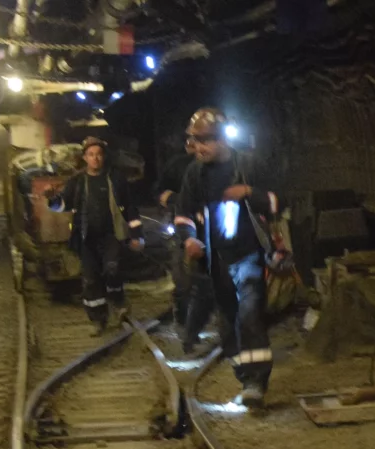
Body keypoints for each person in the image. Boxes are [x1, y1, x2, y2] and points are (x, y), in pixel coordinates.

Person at [175, 107, 278, 407]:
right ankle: (245, 376)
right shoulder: (195, 173)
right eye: (195, 140)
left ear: (222, 140)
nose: (199, 147)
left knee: (249, 313)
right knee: (229, 321)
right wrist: (189, 238)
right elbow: (183, 213)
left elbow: (278, 202)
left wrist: (248, 192)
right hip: (216, 259)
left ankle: (256, 382)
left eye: (205, 140)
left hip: (248, 253)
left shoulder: (248, 166)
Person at [45, 137, 144, 335]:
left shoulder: (115, 179)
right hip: (86, 238)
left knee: (112, 269)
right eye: (91, 155)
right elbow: (63, 206)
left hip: (111, 235)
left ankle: (117, 301)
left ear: (104, 156)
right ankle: (98, 319)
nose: (95, 158)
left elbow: (130, 208)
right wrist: (51, 199)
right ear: (85, 158)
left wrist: (137, 235)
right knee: (91, 279)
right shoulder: (78, 181)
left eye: (98, 154)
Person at [157, 135, 215, 354]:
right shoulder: (178, 166)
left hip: (211, 228)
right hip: (184, 227)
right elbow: (160, 192)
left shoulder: (222, 165)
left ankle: (198, 329)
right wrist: (176, 200)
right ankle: (183, 321)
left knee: (209, 283)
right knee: (184, 281)